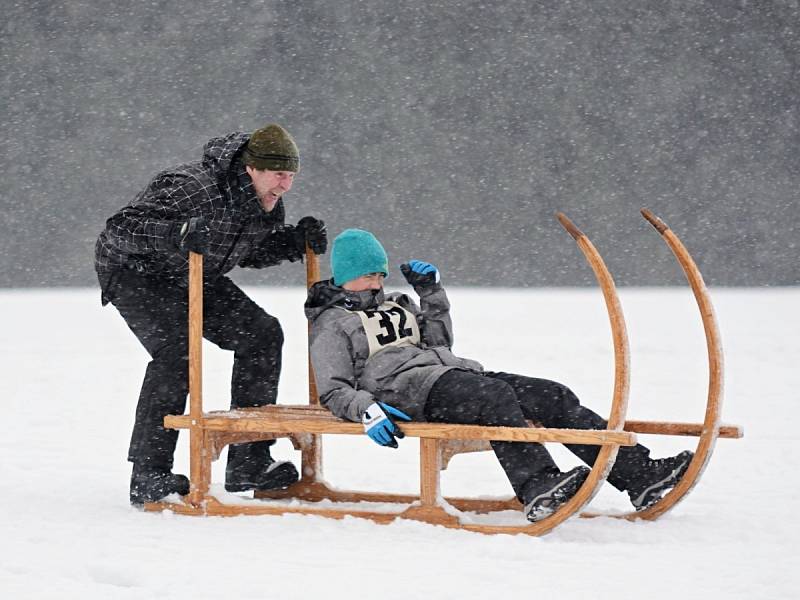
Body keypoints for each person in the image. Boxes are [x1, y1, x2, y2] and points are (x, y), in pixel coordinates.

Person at [305, 229, 693, 522]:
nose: (376, 282)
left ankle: (639, 475)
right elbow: (334, 390)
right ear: (344, 276)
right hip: (404, 395)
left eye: (380, 274)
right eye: (367, 275)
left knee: (552, 395)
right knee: (493, 398)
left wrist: (432, 295)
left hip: (446, 375)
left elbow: (440, 341)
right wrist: (368, 411)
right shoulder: (332, 325)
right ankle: (536, 485)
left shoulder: (398, 304)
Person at [95, 123, 327, 506]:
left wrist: (289, 242)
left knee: (262, 333)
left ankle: (248, 461)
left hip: (193, 270)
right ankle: (149, 473)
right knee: (177, 353)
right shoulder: (191, 186)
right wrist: (175, 232)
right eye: (279, 175)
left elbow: (243, 250)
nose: (285, 185)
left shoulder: (265, 201)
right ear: (252, 168)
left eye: (291, 176)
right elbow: (120, 228)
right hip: (134, 271)